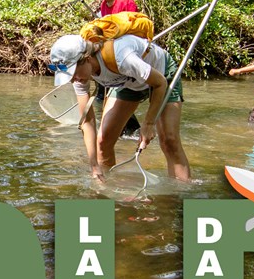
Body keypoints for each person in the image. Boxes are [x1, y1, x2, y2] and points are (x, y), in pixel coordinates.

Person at [49, 32, 190, 181]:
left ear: (87, 59)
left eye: (73, 73)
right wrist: (94, 165)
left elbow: (160, 83)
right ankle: (107, 191)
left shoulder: (122, 57)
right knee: (103, 141)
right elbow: (87, 121)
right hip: (127, 83)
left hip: (161, 75)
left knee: (169, 141)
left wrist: (149, 123)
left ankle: (180, 196)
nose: (73, 80)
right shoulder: (79, 78)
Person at [78, 0, 141, 136]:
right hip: (109, 62)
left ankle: (131, 132)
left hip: (124, 62)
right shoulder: (104, 6)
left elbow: (133, 36)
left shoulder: (125, 2)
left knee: (111, 100)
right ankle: (125, 132)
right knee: (103, 99)